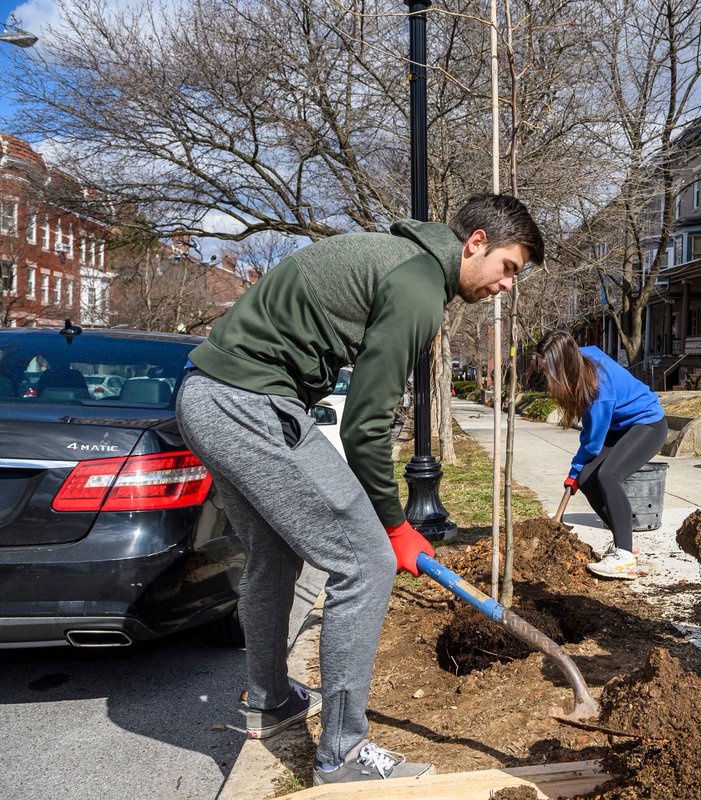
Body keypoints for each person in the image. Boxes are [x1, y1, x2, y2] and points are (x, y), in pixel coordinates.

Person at [176, 194, 543, 786]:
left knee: (273, 556)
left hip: (209, 397)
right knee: (366, 562)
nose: (505, 286)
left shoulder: (396, 258)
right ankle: (343, 755)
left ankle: (270, 701)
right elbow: (366, 427)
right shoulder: (417, 286)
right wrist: (395, 527)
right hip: (248, 403)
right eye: (508, 268)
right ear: (476, 242)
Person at [535, 330, 666, 580]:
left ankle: (624, 558)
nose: (545, 374)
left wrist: (573, 469)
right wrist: (578, 474)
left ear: (561, 366)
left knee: (608, 475)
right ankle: (626, 542)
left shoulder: (597, 389)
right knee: (587, 477)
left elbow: (593, 443)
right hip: (621, 427)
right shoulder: (581, 360)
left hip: (648, 424)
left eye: (547, 369)